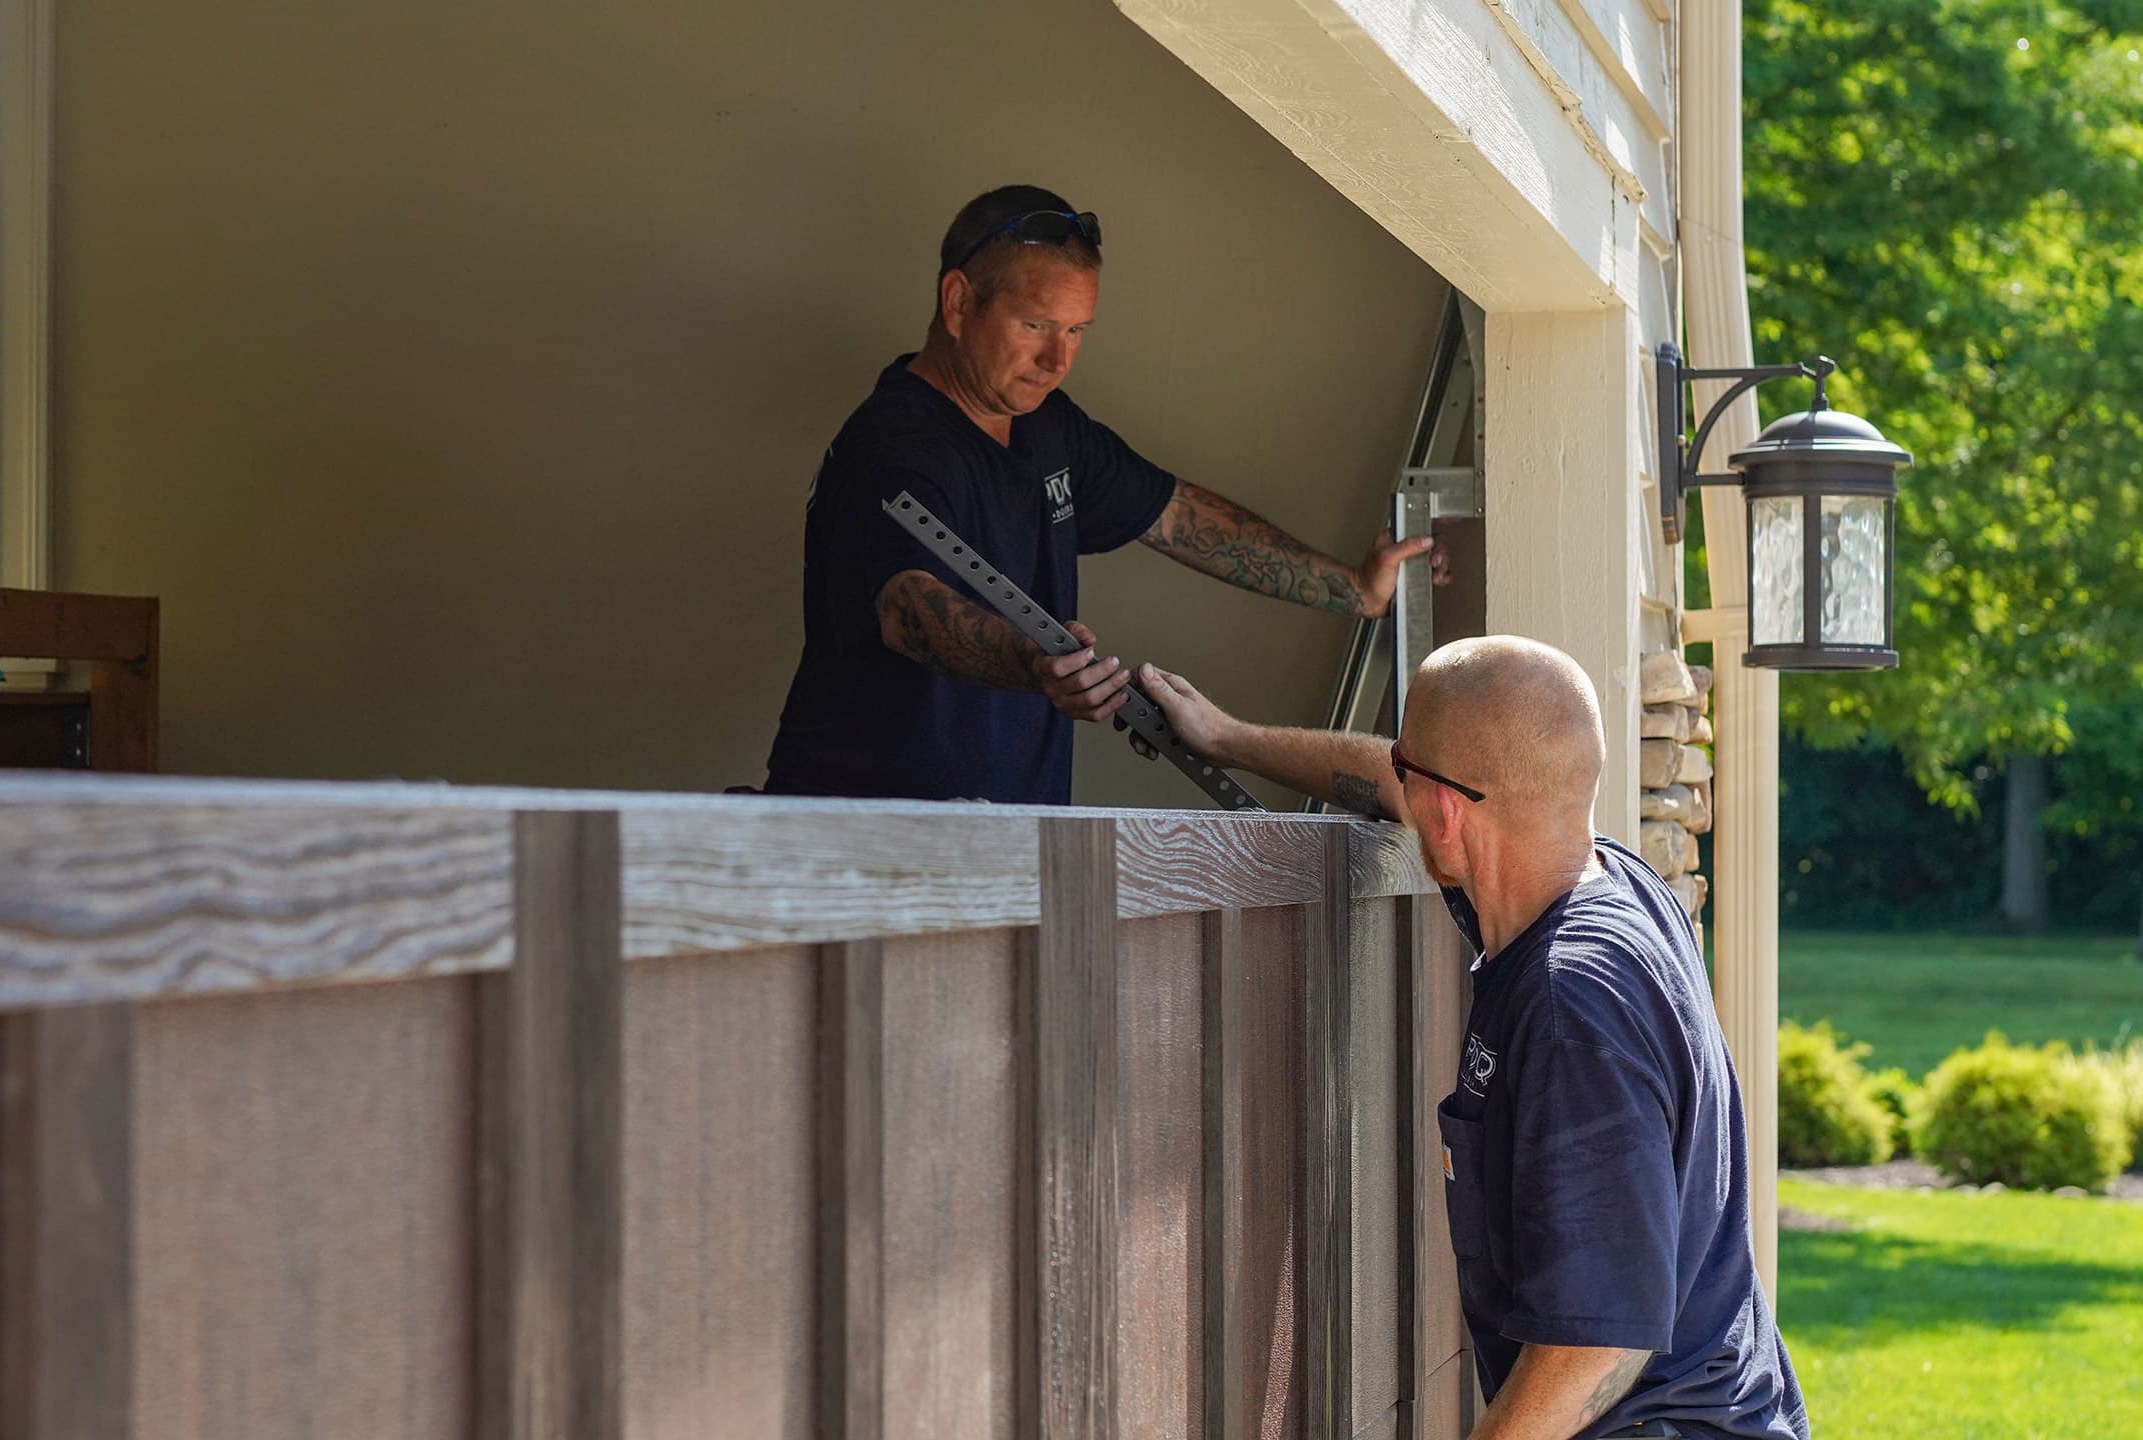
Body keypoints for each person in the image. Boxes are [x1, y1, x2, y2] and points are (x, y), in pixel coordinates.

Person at [1134, 638, 1807, 1440]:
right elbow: (1406, 779)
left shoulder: (1572, 1006)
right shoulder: (1606, 882)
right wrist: (1226, 738)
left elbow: (1599, 1343)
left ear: (1447, 813)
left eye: (1414, 781)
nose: (1404, 795)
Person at [762, 183, 1446, 804]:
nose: (1057, 360)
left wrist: (1355, 588)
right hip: (866, 836)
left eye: (1076, 331)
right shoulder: (896, 444)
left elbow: (1176, 518)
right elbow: (908, 609)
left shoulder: (1048, 427)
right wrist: (1031, 658)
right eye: (1035, 326)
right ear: (959, 302)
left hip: (1009, 844)